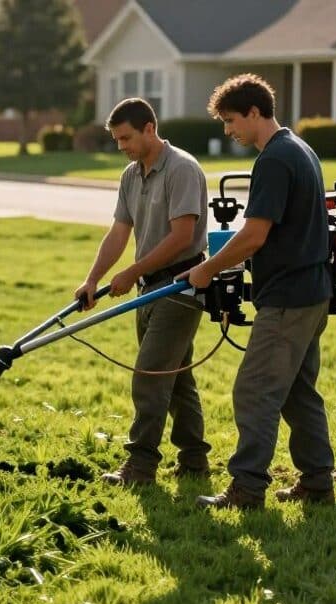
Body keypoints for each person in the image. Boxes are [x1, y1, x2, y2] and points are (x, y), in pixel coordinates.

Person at [179, 73, 335, 510]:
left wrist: (206, 269)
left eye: (231, 121)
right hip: (312, 292)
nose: (228, 131)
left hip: (288, 298)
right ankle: (318, 483)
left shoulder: (275, 158)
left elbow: (254, 235)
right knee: (298, 392)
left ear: (254, 112)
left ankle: (246, 489)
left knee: (254, 390)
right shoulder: (300, 148)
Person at [74, 97, 212, 486]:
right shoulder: (131, 175)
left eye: (126, 138)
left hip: (182, 286)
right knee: (177, 377)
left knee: (150, 375)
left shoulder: (182, 168)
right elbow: (119, 232)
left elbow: (182, 235)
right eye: (117, 140)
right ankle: (195, 461)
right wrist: (93, 279)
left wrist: (131, 271)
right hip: (148, 289)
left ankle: (140, 467)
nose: (121, 147)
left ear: (150, 128)